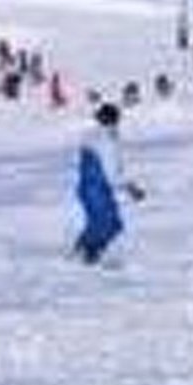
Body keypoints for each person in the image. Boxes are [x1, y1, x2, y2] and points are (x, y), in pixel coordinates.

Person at [72, 104, 143, 265]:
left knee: (101, 223)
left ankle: (82, 252)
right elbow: (113, 174)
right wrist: (131, 188)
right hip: (96, 189)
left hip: (89, 189)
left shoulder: (92, 135)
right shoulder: (106, 140)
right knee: (108, 224)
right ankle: (88, 255)